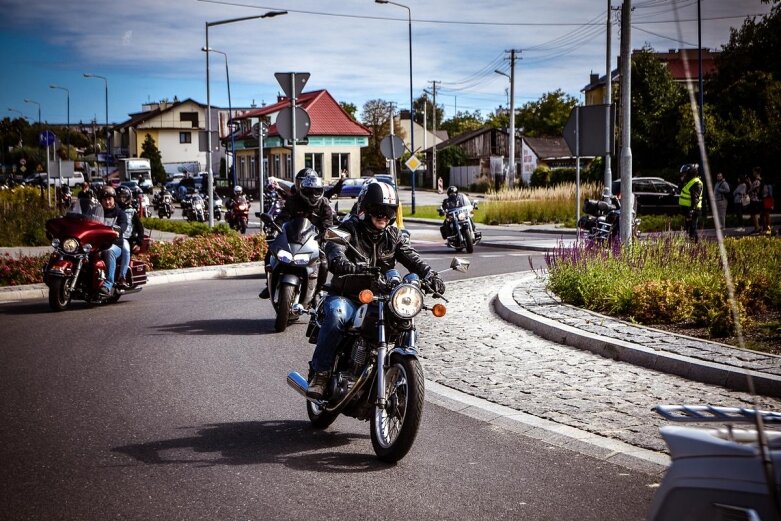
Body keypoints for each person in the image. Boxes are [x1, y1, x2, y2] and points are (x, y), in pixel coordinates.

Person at [306, 181, 445, 399]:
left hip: (383, 298)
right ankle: (321, 373)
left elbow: (411, 257)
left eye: (389, 211)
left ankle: (402, 377)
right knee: (336, 315)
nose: (384, 216)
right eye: (379, 210)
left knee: (407, 323)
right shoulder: (347, 228)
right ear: (365, 209)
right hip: (349, 296)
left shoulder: (393, 235)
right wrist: (350, 266)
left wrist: (430, 275)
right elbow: (335, 254)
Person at [259, 169, 334, 299]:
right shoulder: (294, 200)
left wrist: (325, 235)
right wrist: (273, 226)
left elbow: (328, 222)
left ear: (321, 191)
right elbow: (284, 216)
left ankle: (317, 290)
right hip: (292, 237)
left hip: (314, 241)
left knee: (324, 263)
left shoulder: (324, 203)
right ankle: (269, 283)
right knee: (271, 253)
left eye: (316, 191)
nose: (313, 194)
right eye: (309, 191)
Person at [96, 186, 128, 296]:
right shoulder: (96, 212)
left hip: (115, 244)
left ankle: (108, 284)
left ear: (114, 199)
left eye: (109, 199)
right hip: (98, 244)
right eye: (104, 200)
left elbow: (123, 224)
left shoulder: (120, 213)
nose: (107, 202)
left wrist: (118, 229)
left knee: (109, 252)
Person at [116, 186, 145, 287]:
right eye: (119, 197)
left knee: (126, 250)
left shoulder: (131, 211)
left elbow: (140, 228)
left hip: (125, 238)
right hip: (111, 237)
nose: (121, 199)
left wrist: (139, 243)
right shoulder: (113, 210)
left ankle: (122, 277)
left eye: (124, 197)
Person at [678, 163, 703, 243]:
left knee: (692, 228)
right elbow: (681, 189)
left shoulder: (696, 183)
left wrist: (691, 210)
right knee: (688, 228)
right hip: (688, 209)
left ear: (690, 173)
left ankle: (694, 244)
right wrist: (681, 182)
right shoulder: (689, 181)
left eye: (685, 174)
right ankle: (692, 242)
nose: (683, 175)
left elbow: (695, 198)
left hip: (693, 210)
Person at [748, 167, 763, 234]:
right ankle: (756, 228)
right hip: (755, 199)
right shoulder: (757, 180)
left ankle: (758, 228)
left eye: (754, 172)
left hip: (755, 200)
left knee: (754, 214)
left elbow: (752, 189)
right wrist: (750, 183)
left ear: (756, 172)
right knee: (753, 214)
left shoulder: (758, 180)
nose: (753, 173)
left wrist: (749, 191)